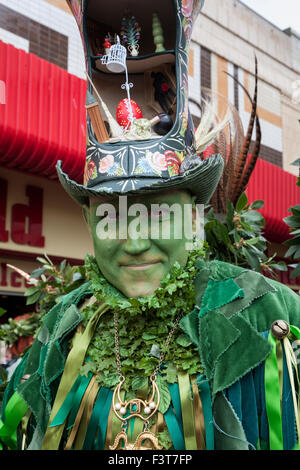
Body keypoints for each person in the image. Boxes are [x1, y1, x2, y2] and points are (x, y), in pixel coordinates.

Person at [1, 0, 300, 451]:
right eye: (112, 215)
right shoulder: (63, 326)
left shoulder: (268, 311)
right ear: (88, 219)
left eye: (158, 212)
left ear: (193, 214)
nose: (135, 242)